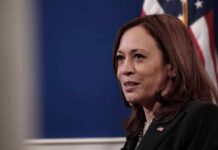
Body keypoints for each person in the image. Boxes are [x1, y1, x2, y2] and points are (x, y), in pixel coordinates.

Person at [113, 14, 218, 150]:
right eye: (120, 58)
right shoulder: (138, 131)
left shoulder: (201, 117)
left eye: (138, 56)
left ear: (173, 65)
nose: (124, 69)